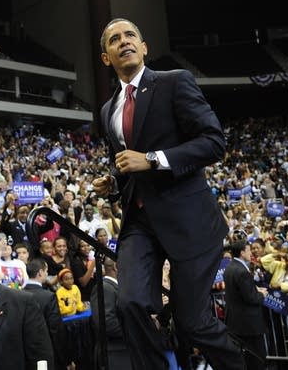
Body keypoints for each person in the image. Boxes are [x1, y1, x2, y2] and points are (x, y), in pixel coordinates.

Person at [93, 18, 245, 369]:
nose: (124, 42)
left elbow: (214, 142)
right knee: (128, 303)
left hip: (189, 221)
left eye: (131, 35)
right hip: (140, 223)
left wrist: (151, 159)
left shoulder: (175, 82)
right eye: (115, 39)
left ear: (144, 47)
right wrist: (114, 182)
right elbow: (125, 167)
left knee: (194, 325)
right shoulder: (107, 110)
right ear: (106, 58)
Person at [224, 239, 268, 370]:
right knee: (257, 359)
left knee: (245, 360)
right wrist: (262, 294)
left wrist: (255, 290)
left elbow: (240, 292)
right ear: (242, 252)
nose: (251, 253)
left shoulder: (230, 268)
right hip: (249, 326)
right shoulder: (242, 271)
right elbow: (251, 298)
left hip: (237, 324)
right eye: (249, 250)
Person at [90, 258, 132, 370]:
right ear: (116, 266)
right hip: (114, 353)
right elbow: (106, 323)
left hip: (122, 351)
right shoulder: (105, 288)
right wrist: (134, 328)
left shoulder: (115, 287)